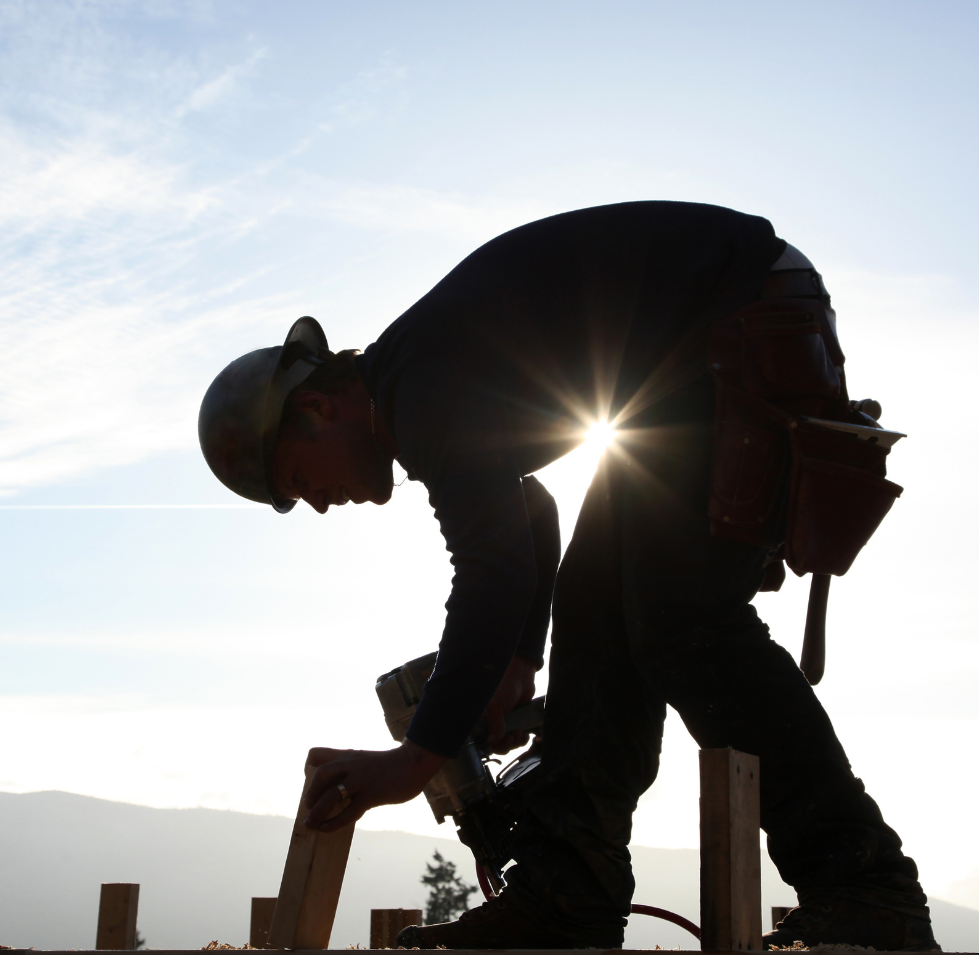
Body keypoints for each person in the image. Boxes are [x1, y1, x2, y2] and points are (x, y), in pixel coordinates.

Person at [198, 201, 936, 951]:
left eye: (300, 478)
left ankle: (865, 888)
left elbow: (492, 565)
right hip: (690, 358)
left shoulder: (420, 388)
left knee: (678, 611)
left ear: (318, 408)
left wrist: (416, 759)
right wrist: (520, 658)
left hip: (738, 319)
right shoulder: (415, 380)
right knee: (595, 607)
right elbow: (533, 507)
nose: (319, 505)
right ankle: (567, 896)